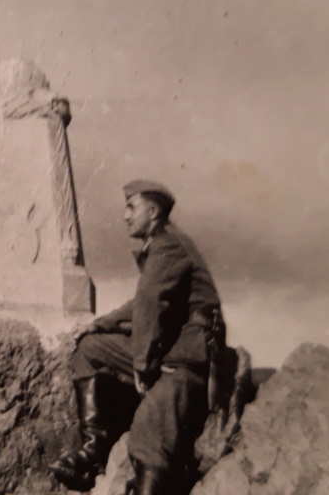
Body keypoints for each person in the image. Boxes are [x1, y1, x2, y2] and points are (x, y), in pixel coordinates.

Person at [49, 180, 226, 495]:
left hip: (187, 356)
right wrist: (101, 325)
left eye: (132, 207)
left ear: (154, 211)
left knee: (148, 434)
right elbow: (141, 303)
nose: (125, 216)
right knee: (91, 348)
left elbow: (149, 303)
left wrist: (142, 365)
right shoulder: (160, 244)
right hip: (169, 348)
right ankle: (94, 451)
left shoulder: (169, 245)